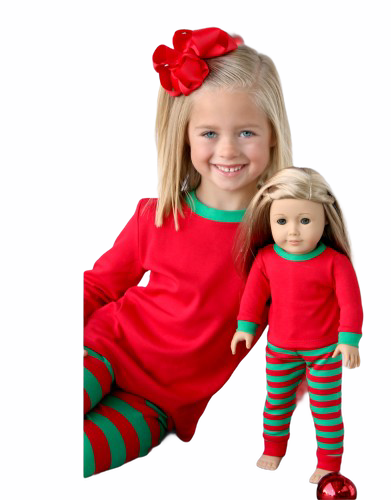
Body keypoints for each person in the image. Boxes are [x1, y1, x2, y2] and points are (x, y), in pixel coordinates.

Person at [83, 27, 292, 478]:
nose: (228, 150)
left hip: (158, 405)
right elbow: (98, 287)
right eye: (209, 133)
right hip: (104, 348)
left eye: (247, 132)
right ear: (186, 137)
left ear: (273, 135)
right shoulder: (156, 216)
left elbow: (298, 338)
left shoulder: (280, 245)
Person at [230, 167, 363, 484]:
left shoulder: (335, 262)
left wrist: (349, 339)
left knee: (326, 410)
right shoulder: (266, 259)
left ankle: (329, 461)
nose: (293, 232)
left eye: (305, 221)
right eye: (282, 221)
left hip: (325, 351)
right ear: (268, 220)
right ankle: (273, 448)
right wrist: (245, 326)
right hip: (280, 350)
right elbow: (253, 297)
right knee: (276, 403)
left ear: (325, 220)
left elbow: (351, 304)